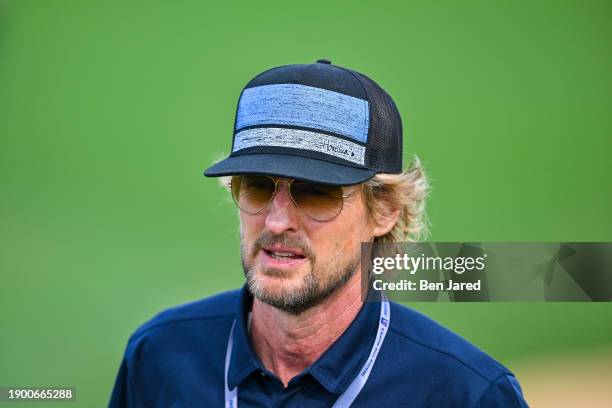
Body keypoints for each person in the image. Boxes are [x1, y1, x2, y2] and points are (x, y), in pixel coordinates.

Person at [109, 60, 529, 407]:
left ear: (383, 211)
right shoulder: (159, 357)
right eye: (256, 186)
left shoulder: (466, 394)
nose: (276, 223)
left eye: (315, 194)